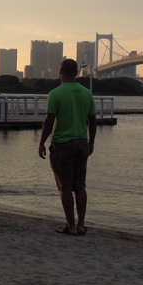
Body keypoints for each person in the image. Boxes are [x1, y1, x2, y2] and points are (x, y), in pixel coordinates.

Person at [38, 59, 97, 235]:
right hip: (82, 142)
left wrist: (41, 142)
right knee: (80, 186)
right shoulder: (87, 93)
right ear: (77, 73)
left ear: (61, 72)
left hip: (62, 144)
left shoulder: (55, 93)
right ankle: (81, 225)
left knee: (65, 187)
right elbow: (93, 121)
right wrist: (91, 142)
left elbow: (49, 121)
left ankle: (70, 226)